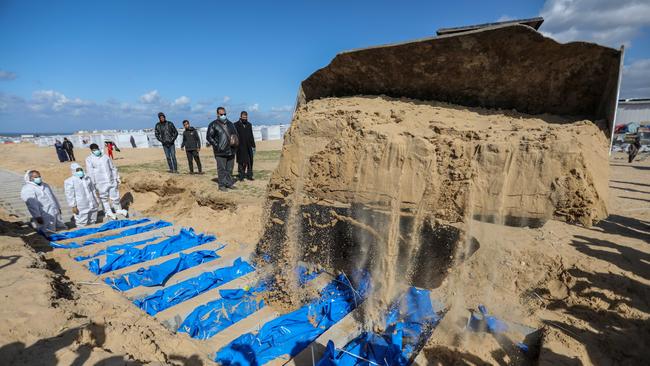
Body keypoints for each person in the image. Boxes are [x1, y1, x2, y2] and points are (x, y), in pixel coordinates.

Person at [85, 143, 128, 219]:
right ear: (91, 151)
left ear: (99, 148)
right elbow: (90, 172)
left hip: (111, 180)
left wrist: (117, 177)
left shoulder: (105, 157)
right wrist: (93, 183)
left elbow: (112, 168)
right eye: (94, 150)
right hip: (100, 182)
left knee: (115, 196)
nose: (96, 151)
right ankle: (108, 211)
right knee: (104, 198)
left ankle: (118, 209)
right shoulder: (89, 159)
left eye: (96, 149)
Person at [206, 107, 239, 191]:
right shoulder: (213, 124)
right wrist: (217, 146)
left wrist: (235, 142)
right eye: (221, 114)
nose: (223, 115)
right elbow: (209, 137)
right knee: (221, 169)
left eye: (224, 114)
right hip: (220, 152)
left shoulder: (230, 124)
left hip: (231, 150)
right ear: (217, 114)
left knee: (229, 169)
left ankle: (228, 183)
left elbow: (236, 134)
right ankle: (221, 185)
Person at [64, 162, 99, 227]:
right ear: (74, 171)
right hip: (81, 206)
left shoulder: (87, 178)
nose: (80, 172)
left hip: (92, 203)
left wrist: (96, 200)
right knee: (82, 223)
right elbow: (70, 195)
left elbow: (93, 190)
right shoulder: (70, 181)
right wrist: (73, 206)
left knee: (92, 220)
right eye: (77, 170)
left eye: (80, 170)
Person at [234, 111, 256, 181]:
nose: (244, 118)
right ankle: (241, 176)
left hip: (248, 146)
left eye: (246, 117)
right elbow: (234, 136)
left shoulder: (249, 124)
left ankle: (249, 175)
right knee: (241, 161)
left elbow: (251, 135)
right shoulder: (236, 125)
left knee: (249, 161)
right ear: (240, 117)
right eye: (243, 117)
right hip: (240, 146)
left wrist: (253, 145)